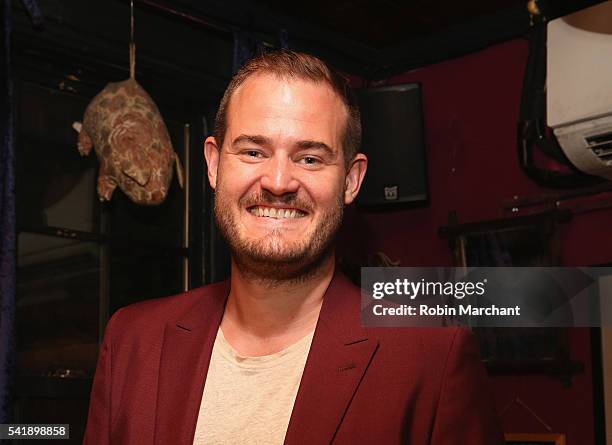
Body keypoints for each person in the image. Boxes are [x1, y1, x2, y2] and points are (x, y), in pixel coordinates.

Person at [83, 50, 504, 445]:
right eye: (252, 151)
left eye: (310, 158)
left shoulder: (431, 357)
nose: (279, 182)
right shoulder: (133, 340)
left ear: (352, 181)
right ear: (213, 165)